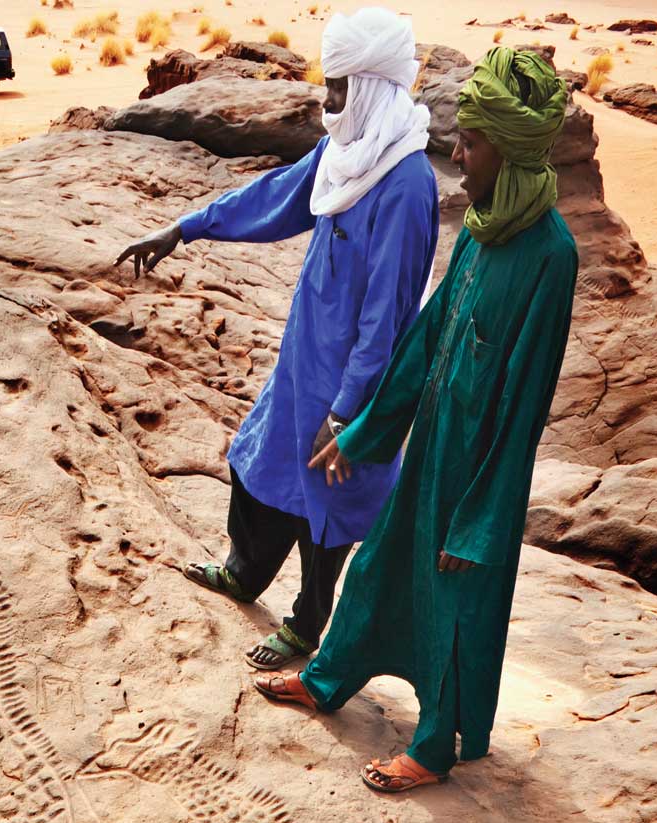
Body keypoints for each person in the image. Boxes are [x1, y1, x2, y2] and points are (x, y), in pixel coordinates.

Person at [255, 46, 577, 794]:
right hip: (431, 445)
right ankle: (327, 678)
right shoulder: (483, 228)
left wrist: (481, 522)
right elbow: (425, 343)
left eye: (472, 142)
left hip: (475, 475)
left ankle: (434, 749)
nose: (456, 154)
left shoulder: (550, 255)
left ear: (509, 151)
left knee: (453, 609)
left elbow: (524, 407)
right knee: (379, 564)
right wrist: (365, 433)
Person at [115, 7, 438, 670]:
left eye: (339, 87)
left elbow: (387, 317)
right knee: (257, 462)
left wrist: (347, 413)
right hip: (303, 360)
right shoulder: (345, 152)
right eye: (328, 84)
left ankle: (305, 626)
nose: (327, 101)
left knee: (329, 504)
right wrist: (185, 228)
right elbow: (276, 197)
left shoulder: (405, 185)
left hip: (352, 380)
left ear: (370, 88)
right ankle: (243, 572)